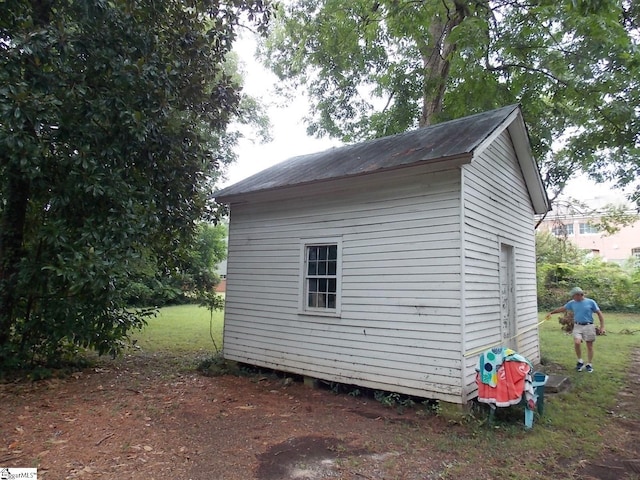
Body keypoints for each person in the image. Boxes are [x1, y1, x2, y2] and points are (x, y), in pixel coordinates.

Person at [545, 287, 605, 373]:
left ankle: (589, 364)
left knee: (589, 345)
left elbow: (599, 314)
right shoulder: (572, 303)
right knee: (577, 342)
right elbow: (562, 308)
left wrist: (602, 327)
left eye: (574, 296)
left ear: (580, 295)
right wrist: (551, 312)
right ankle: (580, 361)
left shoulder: (591, 302)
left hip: (589, 326)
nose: (573, 298)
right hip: (577, 326)